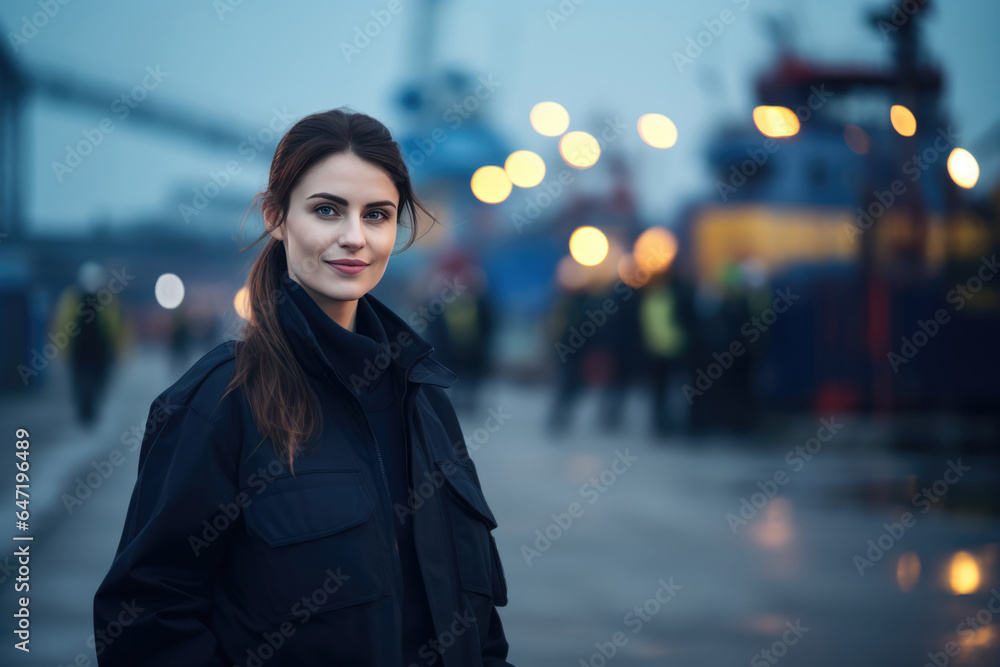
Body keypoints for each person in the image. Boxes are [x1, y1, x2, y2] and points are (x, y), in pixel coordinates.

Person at [93, 108, 515, 666]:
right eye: (326, 210)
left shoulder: (426, 398)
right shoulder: (218, 404)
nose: (354, 237)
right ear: (276, 217)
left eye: (378, 215)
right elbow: (145, 620)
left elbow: (480, 632)